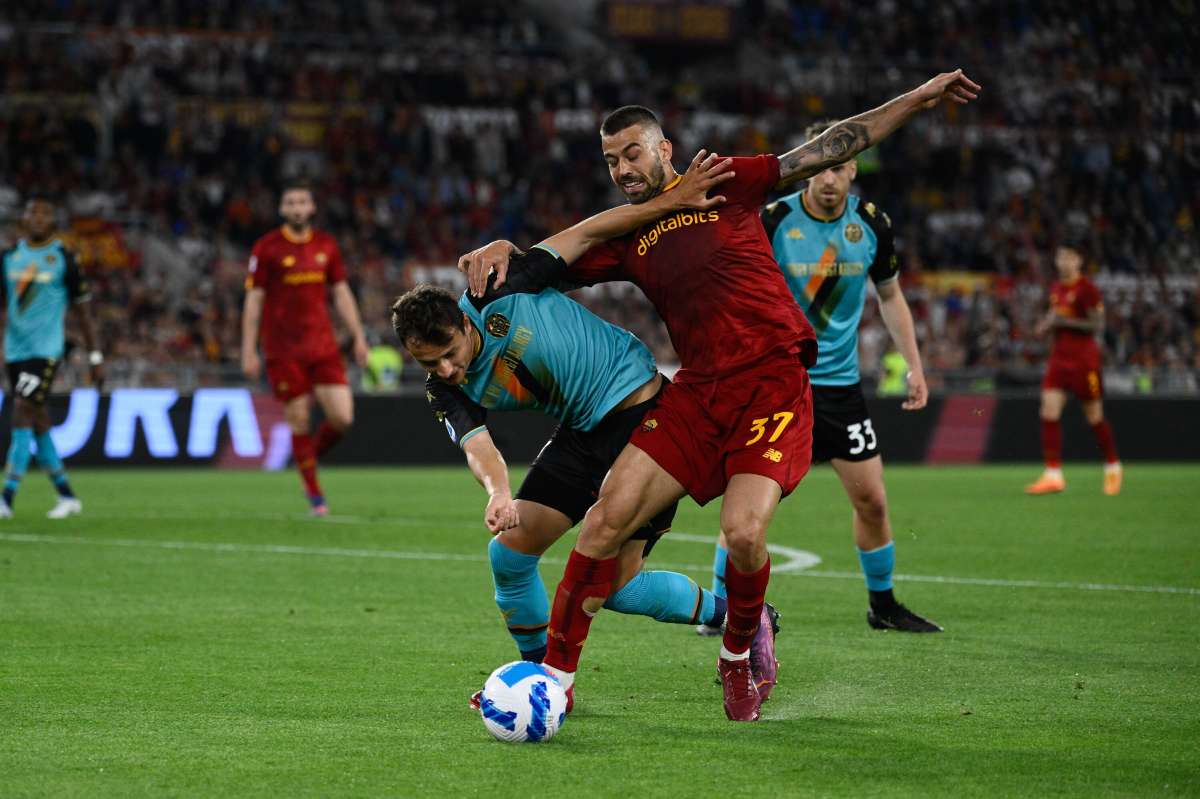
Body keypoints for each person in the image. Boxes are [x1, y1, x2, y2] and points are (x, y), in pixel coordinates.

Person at [463, 70, 980, 720]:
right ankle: (554, 682)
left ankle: (739, 650)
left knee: (741, 534)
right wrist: (507, 248)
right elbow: (544, 267)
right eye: (611, 158)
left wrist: (918, 99)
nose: (623, 167)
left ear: (665, 148)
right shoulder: (627, 233)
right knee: (602, 522)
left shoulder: (727, 183)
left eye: (633, 151)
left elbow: (825, 148)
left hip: (773, 382)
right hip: (699, 391)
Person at [398, 154, 775, 708]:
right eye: (431, 366)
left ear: (463, 321)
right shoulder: (445, 387)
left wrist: (667, 202)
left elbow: (591, 232)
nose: (447, 372)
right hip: (580, 430)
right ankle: (539, 685)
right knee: (508, 555)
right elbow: (480, 447)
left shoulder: (499, 289)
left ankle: (741, 615)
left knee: (615, 587)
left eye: (450, 355)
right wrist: (499, 493)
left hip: (640, 412)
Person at [699, 119, 940, 636]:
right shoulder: (775, 218)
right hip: (779, 384)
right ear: (805, 166)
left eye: (840, 167)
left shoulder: (873, 224)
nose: (829, 178)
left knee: (872, 501)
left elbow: (891, 296)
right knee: (747, 504)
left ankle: (883, 606)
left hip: (841, 389)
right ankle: (720, 608)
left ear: (853, 168)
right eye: (820, 167)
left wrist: (915, 365)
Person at [241, 182, 370, 516]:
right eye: (290, 203)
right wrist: (248, 349)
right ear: (282, 209)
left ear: (312, 208)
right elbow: (254, 302)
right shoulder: (267, 248)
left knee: (342, 418)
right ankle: (315, 495)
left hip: (323, 346)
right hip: (283, 349)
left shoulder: (326, 245)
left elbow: (341, 293)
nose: (297, 208)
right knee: (298, 416)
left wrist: (358, 335)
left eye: (302, 202)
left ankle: (306, 460)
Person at [0, 195, 103, 519]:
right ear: (23, 221)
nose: (39, 217)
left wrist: (96, 356)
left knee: (21, 410)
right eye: (34, 212)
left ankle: (6, 498)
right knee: (38, 419)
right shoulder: (9, 258)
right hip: (15, 351)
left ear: (54, 223)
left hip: (46, 350)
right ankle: (67, 495)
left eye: (46, 212)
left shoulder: (64, 259)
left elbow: (84, 312)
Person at [1025, 245, 1121, 496]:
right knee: (1048, 410)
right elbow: (1054, 314)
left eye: (1069, 257)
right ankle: (1053, 474)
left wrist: (1061, 321)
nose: (1064, 261)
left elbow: (1097, 325)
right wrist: (1044, 325)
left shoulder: (1087, 289)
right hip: (1059, 360)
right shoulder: (1057, 288)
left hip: (1084, 362)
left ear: (1079, 260)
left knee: (1094, 416)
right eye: (1060, 257)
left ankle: (1112, 466)